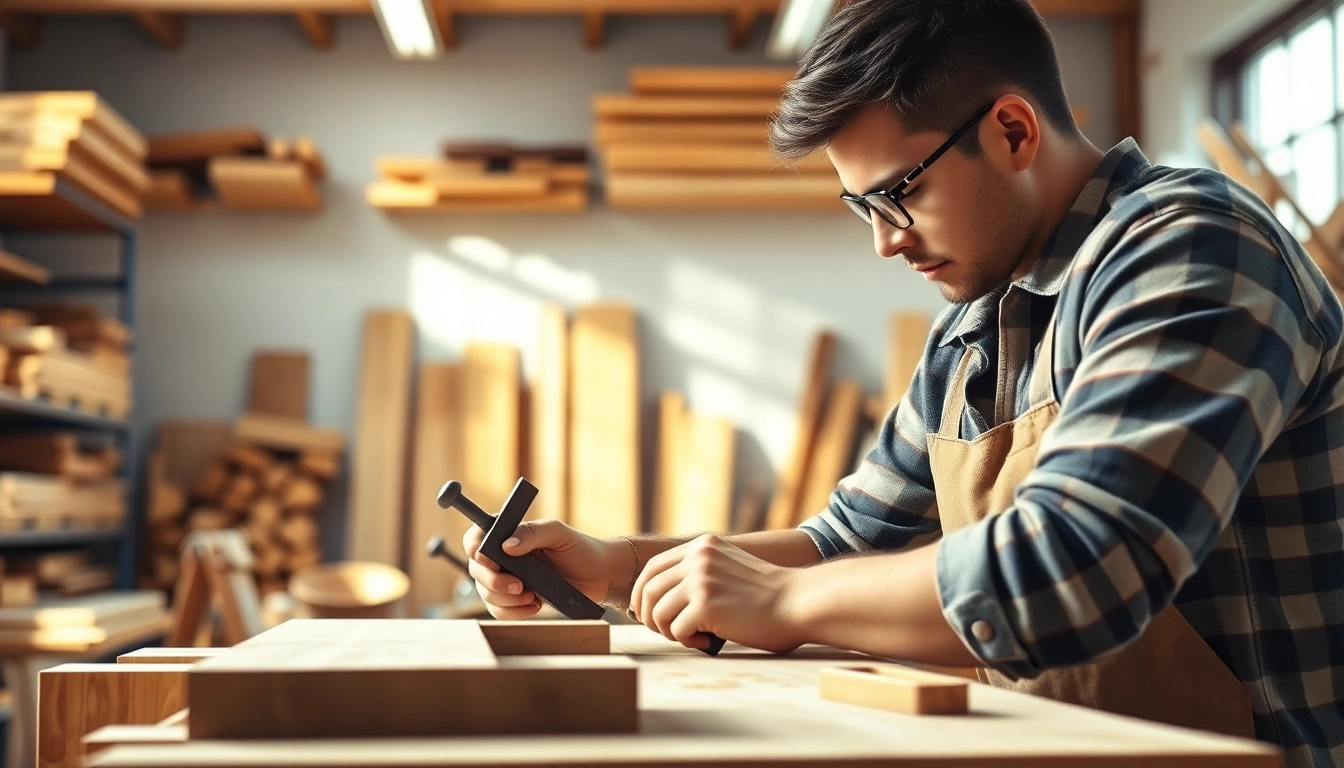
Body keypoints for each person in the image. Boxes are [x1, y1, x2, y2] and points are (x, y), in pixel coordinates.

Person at [464, 1, 1344, 764]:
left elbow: (1076, 565)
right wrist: (622, 566)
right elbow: (849, 545)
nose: (885, 241)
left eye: (898, 196)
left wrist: (781, 600)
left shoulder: (1190, 247)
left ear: (1012, 130)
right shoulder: (973, 325)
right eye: (862, 210)